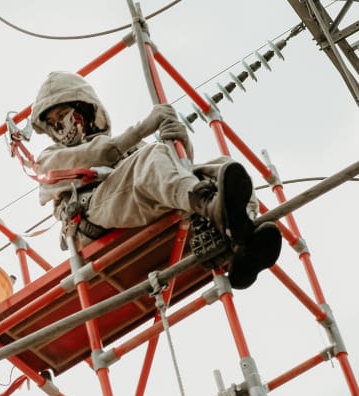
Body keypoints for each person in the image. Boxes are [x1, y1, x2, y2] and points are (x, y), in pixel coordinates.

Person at [30, 71, 281, 290]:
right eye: (51, 123)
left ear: (84, 110)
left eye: (63, 114)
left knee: (222, 166)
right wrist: (143, 128)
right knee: (153, 155)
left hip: (134, 200)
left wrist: (182, 142)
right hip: (92, 216)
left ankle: (244, 237)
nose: (59, 126)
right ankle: (212, 207)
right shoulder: (49, 160)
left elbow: (172, 170)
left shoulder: (132, 151)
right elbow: (100, 154)